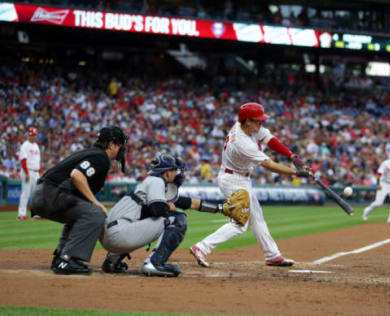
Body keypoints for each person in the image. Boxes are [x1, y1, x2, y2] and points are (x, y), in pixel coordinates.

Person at [189, 102, 310, 268]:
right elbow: (268, 164)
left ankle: (272, 255)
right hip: (233, 180)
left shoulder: (248, 127)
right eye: (257, 120)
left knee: (257, 218)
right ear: (247, 121)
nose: (261, 123)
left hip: (240, 178)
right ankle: (201, 247)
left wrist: (291, 155)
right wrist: (295, 173)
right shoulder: (242, 142)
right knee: (240, 224)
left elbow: (270, 140)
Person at [100, 153, 228, 277]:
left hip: (110, 235)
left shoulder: (149, 184)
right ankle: (155, 263)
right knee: (177, 218)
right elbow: (157, 210)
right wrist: (167, 206)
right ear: (167, 172)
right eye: (174, 170)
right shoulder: (157, 181)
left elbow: (190, 203)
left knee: (151, 217)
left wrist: (221, 208)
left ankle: (113, 260)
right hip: (120, 235)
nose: (177, 174)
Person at [30, 126, 128, 275]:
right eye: (120, 144)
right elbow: (77, 175)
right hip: (49, 193)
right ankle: (68, 260)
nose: (122, 149)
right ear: (111, 144)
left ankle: (61, 257)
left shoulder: (94, 154)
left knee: (83, 212)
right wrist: (95, 202)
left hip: (44, 193)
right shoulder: (101, 157)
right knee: (95, 213)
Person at [362, 150, 390, 225]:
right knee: (379, 203)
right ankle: (367, 211)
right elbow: (378, 174)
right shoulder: (386, 163)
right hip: (384, 183)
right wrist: (378, 184)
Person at [17, 127, 41, 220]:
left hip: (35, 172)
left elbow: (38, 161)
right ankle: (21, 214)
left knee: (35, 194)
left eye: (35, 135)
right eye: (32, 135)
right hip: (28, 171)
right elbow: (23, 160)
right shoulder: (25, 145)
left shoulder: (36, 146)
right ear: (29, 135)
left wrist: (39, 172)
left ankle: (35, 213)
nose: (34, 136)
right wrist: (26, 173)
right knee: (25, 193)